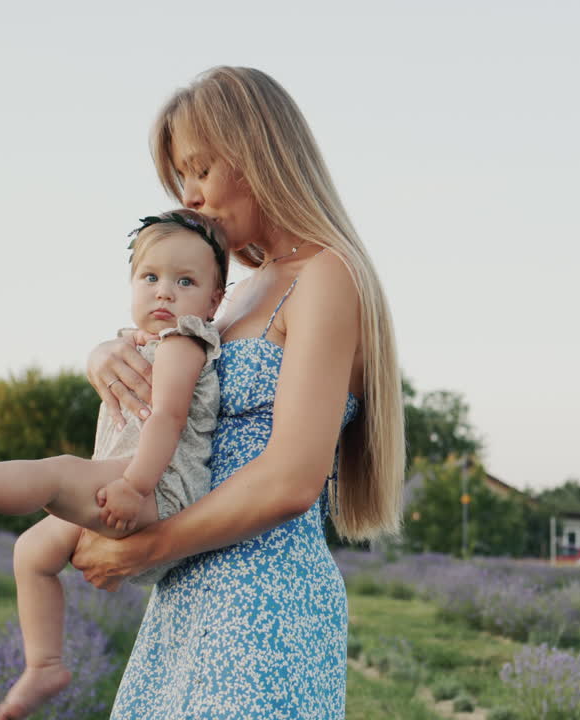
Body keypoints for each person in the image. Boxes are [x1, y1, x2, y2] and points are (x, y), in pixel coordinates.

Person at [71, 66, 405, 718]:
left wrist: (143, 549)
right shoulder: (237, 295)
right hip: (185, 602)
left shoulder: (324, 274)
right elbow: (171, 393)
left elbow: (290, 479)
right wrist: (104, 356)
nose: (189, 197)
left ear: (259, 155)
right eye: (179, 180)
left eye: (200, 170)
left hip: (263, 608)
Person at [0, 209, 230, 719]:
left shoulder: (183, 343)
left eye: (185, 281)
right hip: (129, 481)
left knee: (57, 473)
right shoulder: (137, 344)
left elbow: (168, 417)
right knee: (31, 552)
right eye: (151, 277)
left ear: (214, 300)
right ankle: (45, 664)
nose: (164, 292)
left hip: (159, 489)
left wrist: (135, 484)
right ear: (131, 285)